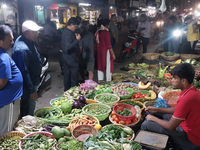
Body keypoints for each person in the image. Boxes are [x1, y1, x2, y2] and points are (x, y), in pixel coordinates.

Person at [141, 63, 200, 149]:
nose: (172, 80)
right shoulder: (192, 90)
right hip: (187, 126)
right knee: (156, 114)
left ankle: (165, 146)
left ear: (184, 81)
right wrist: (157, 109)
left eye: (175, 78)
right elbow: (178, 109)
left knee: (146, 125)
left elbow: (170, 126)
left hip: (190, 138)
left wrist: (153, 119)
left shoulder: (187, 98)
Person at [12, 20, 43, 117]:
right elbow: (23, 71)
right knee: (29, 105)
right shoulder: (22, 49)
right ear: (25, 33)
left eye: (37, 31)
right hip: (28, 83)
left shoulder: (27, 40)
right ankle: (27, 123)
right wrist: (31, 90)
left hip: (33, 79)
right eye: (34, 32)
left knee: (28, 104)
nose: (37, 34)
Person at [0, 25, 23, 136]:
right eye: (10, 39)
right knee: (7, 131)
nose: (12, 42)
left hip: (6, 99)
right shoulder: (3, 57)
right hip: (8, 100)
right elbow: (1, 84)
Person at [62, 17, 81, 91]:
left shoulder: (65, 32)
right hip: (70, 58)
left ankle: (66, 91)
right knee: (74, 76)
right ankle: (74, 91)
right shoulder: (68, 33)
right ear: (72, 24)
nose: (76, 28)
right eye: (75, 26)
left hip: (66, 57)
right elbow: (67, 47)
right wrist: (77, 40)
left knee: (67, 75)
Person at [95, 19, 116, 83]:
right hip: (105, 50)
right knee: (108, 64)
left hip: (99, 50)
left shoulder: (98, 31)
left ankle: (100, 79)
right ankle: (108, 78)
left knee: (100, 64)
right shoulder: (106, 32)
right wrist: (113, 54)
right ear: (106, 25)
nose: (109, 26)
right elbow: (109, 44)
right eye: (109, 24)